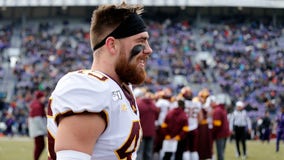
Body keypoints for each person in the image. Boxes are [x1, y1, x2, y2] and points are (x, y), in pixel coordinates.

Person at [47, 2, 153, 160]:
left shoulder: (119, 88)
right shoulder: (90, 89)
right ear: (112, 45)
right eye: (140, 42)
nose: (149, 50)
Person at [137, 90, 160, 160]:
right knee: (149, 152)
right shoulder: (153, 105)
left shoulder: (138, 103)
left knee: (139, 152)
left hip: (141, 131)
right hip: (151, 132)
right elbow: (157, 117)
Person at [28, 90, 47, 160]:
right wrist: (45, 130)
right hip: (38, 130)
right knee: (40, 146)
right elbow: (38, 120)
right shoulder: (37, 106)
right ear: (40, 97)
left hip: (37, 129)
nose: (44, 98)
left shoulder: (36, 104)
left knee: (40, 146)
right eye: (43, 97)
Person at [210, 96, 230, 160]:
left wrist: (213, 134)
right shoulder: (222, 109)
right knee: (221, 152)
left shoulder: (217, 110)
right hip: (224, 133)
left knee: (220, 153)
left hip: (220, 134)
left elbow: (217, 124)